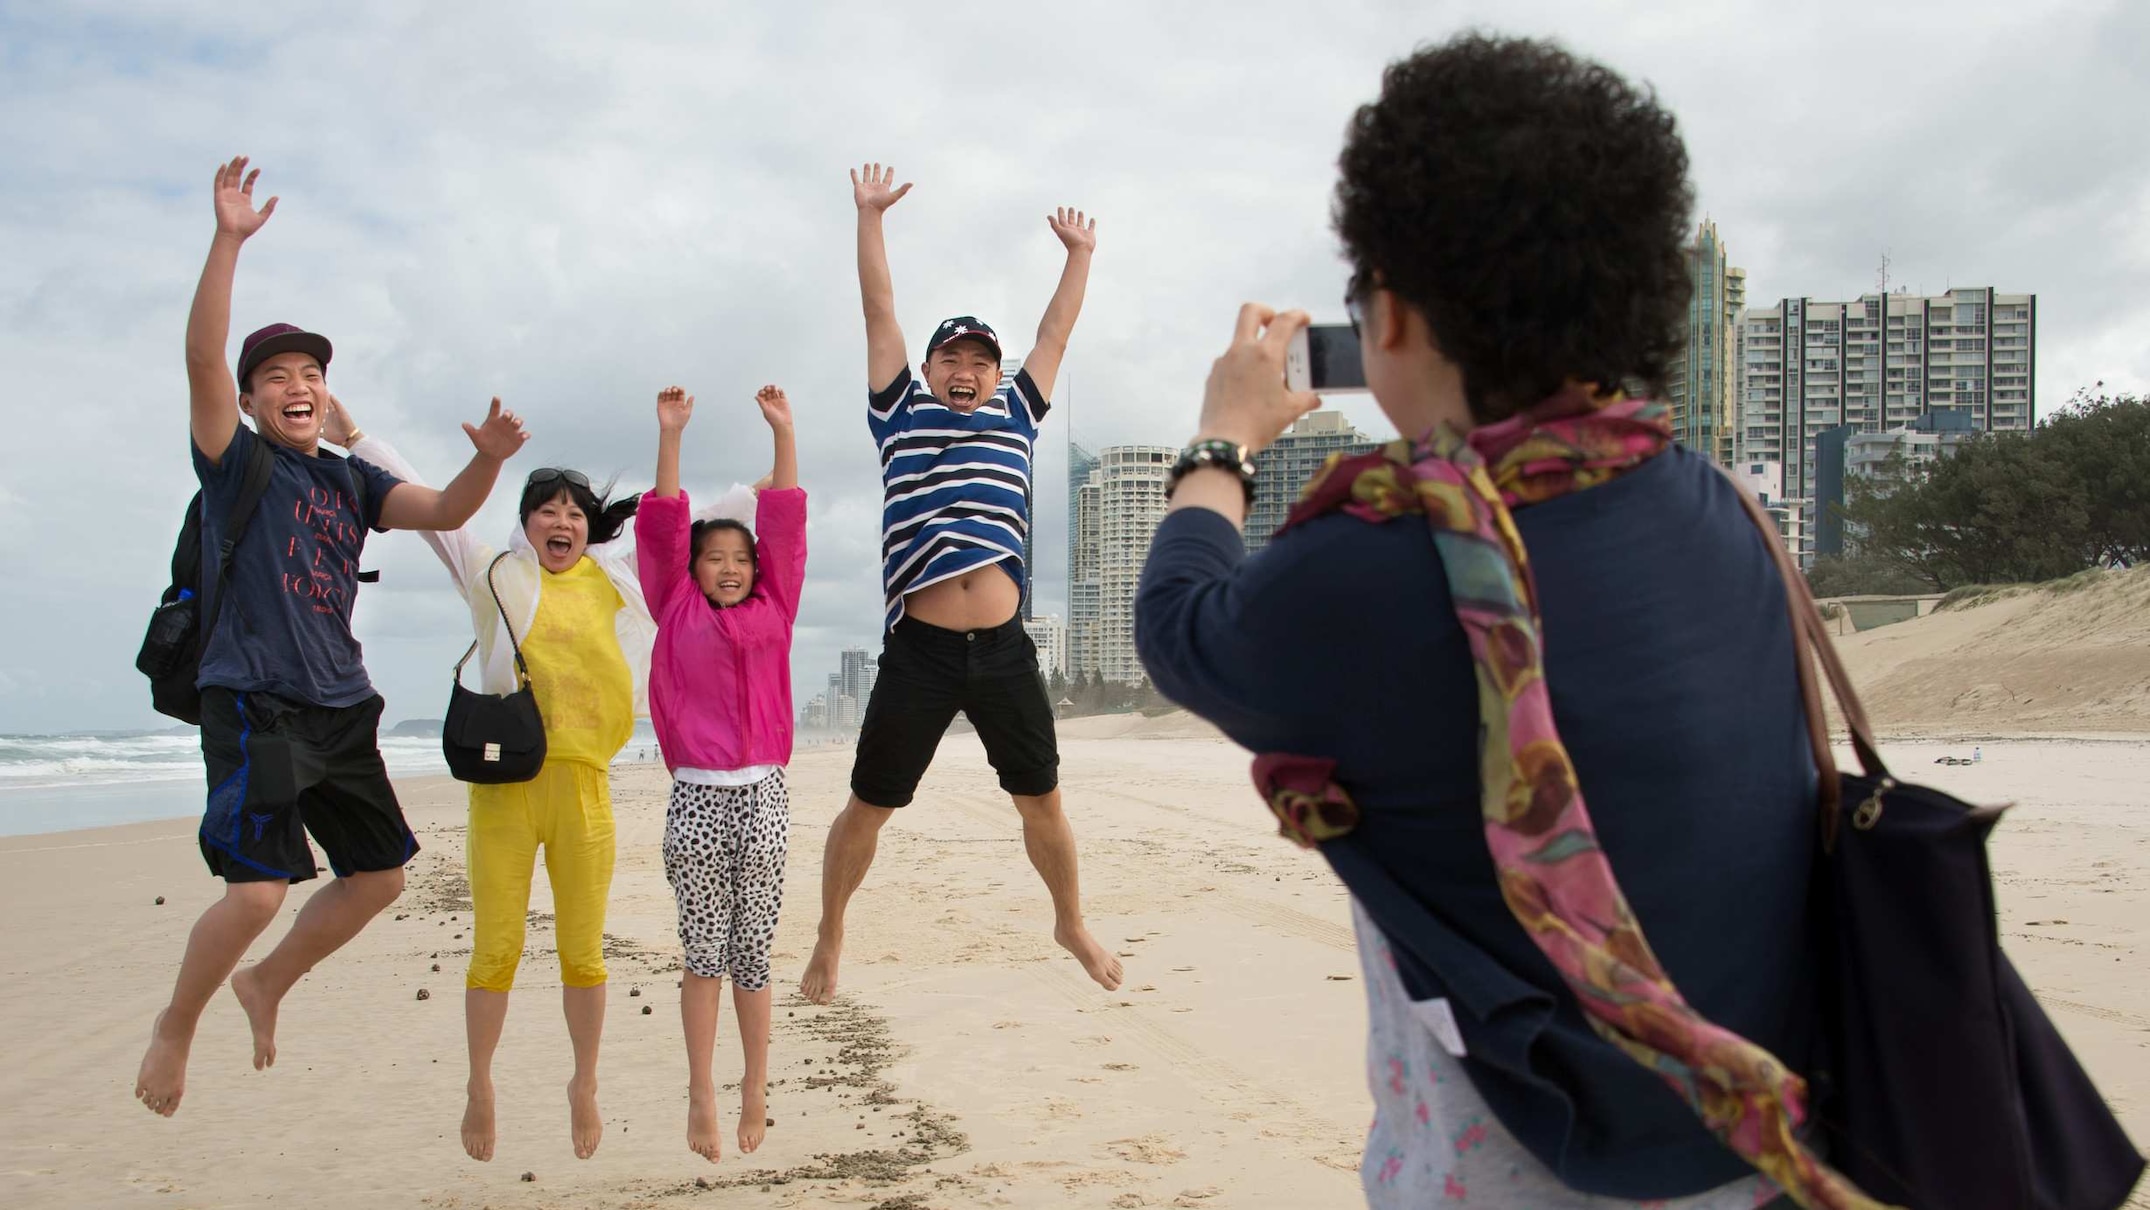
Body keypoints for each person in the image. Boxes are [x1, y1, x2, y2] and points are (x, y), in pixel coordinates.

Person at [1134, 36, 1862, 1210]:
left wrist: (1222, 439)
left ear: (1401, 320)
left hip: (1543, 1155)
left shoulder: (1373, 565)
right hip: (1769, 1144)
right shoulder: (1722, 508)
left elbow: (1177, 622)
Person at [135, 157, 529, 1119]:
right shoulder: (239, 465)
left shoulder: (351, 482)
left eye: (312, 374)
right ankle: (177, 1024)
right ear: (254, 401)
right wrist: (227, 241)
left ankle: (266, 986)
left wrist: (483, 463)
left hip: (341, 708)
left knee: (381, 878)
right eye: (277, 378)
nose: (299, 386)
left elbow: (442, 506)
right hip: (258, 706)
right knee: (259, 893)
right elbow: (199, 361)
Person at [800, 163, 1122, 1004]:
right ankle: (831, 932)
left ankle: (1069, 919)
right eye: (953, 357)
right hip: (920, 651)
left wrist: (1079, 255)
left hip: (1006, 650)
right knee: (869, 807)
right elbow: (879, 310)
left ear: (996, 372)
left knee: (1041, 802)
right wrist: (870, 217)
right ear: (934, 367)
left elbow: (1055, 335)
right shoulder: (898, 412)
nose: (967, 369)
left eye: (982, 359)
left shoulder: (1018, 413)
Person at [330, 398, 652, 1163]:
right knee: (495, 950)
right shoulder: (494, 574)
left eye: (574, 509)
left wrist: (770, 467)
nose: (561, 520)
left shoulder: (618, 583)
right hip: (504, 790)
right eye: (546, 508)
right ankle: (481, 1083)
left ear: (588, 525)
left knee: (584, 952)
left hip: (584, 791)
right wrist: (353, 436)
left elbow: (683, 533)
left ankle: (584, 1081)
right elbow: (435, 514)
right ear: (526, 522)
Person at [635, 384, 806, 1163]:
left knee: (754, 954)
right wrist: (670, 436)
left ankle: (756, 1086)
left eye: (742, 559)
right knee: (703, 954)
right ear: (696, 568)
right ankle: (702, 1091)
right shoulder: (674, 604)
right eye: (716, 558)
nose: (730, 568)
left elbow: (788, 525)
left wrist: (784, 434)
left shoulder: (778, 603)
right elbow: (665, 530)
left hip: (766, 794)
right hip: (698, 801)